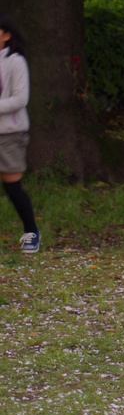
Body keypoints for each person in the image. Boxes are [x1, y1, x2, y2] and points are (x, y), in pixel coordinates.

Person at [0, 16, 40, 253]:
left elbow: (20, 99)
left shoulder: (15, 62)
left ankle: (31, 231)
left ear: (7, 35)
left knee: (12, 186)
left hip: (10, 134)